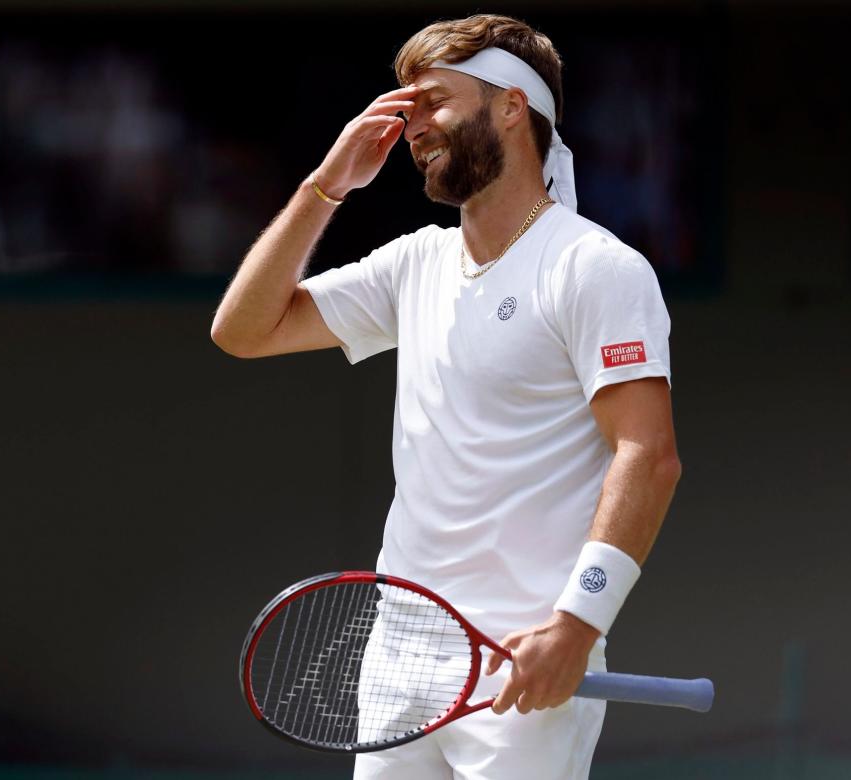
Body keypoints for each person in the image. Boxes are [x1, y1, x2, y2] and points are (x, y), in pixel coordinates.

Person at [211, 14, 681, 779]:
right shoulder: (415, 263)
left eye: (433, 101)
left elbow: (649, 456)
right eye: (405, 105)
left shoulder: (596, 268)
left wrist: (576, 624)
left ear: (510, 106)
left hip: (529, 658)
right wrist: (327, 185)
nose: (410, 126)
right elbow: (243, 329)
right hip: (399, 655)